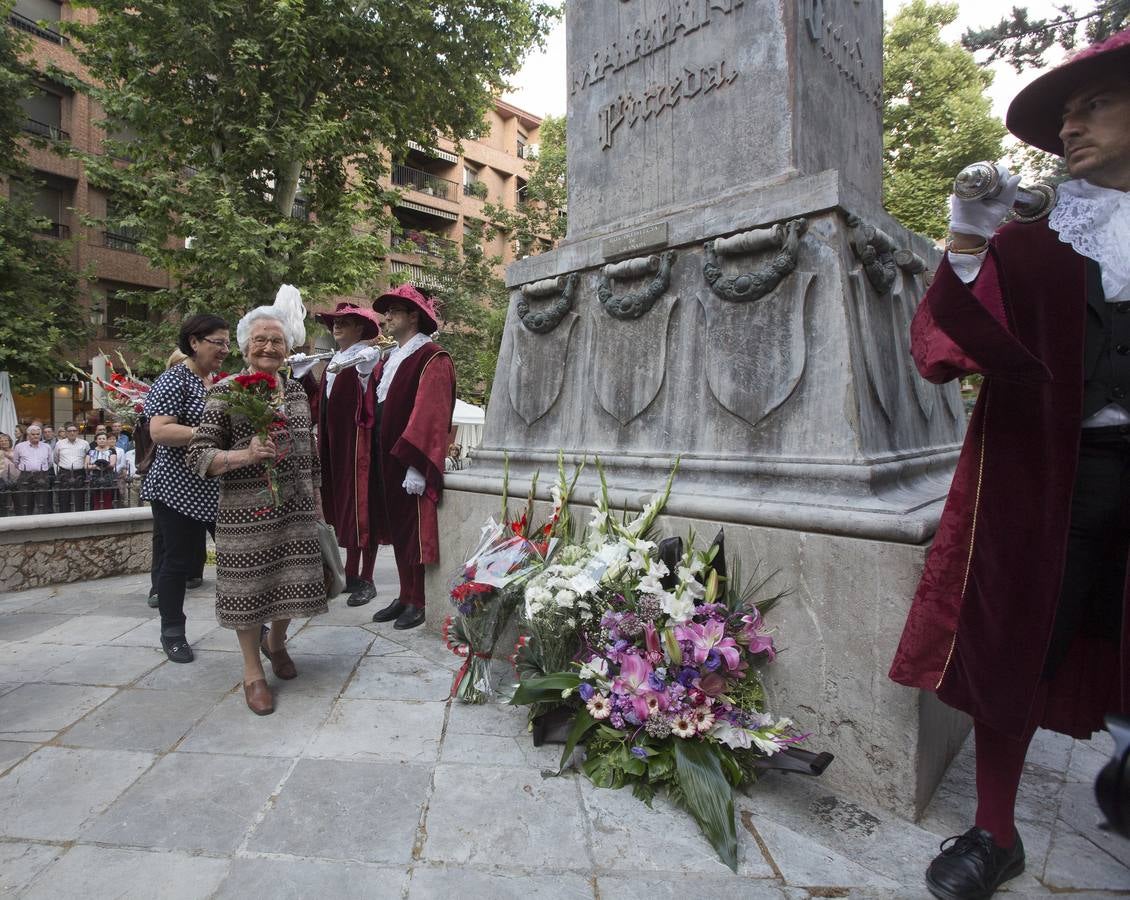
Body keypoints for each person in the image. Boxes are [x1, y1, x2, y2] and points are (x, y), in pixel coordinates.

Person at [889, 29, 1130, 900]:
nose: (1070, 127)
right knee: (1016, 643)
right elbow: (938, 349)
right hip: (1051, 475)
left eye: (1094, 104)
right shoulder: (1035, 242)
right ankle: (995, 829)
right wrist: (966, 245)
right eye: (1065, 114)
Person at [186, 285, 328, 716]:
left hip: (296, 512)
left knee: (293, 586)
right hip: (245, 515)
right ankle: (252, 672)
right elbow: (198, 455)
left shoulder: (297, 392)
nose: (269, 347)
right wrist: (244, 455)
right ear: (245, 347)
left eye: (277, 340)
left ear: (288, 348)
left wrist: (318, 502)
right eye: (260, 340)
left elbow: (309, 451)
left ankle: (277, 643)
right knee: (247, 594)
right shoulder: (226, 391)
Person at [140, 314, 230, 663]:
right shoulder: (173, 379)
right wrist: (207, 433)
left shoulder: (214, 382)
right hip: (176, 489)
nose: (225, 349)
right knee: (177, 562)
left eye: (227, 343)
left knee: (235, 556)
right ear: (194, 342)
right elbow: (160, 431)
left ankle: (253, 624)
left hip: (212, 486)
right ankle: (173, 631)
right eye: (218, 342)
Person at [368, 284, 456, 631]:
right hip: (387, 456)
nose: (386, 317)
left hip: (409, 459)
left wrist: (417, 462)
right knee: (396, 528)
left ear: (414, 316)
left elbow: (432, 410)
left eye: (394, 311)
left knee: (413, 529)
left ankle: (419, 599)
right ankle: (405, 594)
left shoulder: (432, 356)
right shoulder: (392, 359)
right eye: (386, 311)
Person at [291, 303, 384, 608]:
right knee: (341, 507)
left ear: (360, 328)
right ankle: (350, 572)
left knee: (362, 508)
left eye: (345, 322)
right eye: (335, 322)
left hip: (359, 446)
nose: (337, 326)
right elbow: (318, 405)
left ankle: (366, 577)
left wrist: (365, 373)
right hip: (334, 446)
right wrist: (304, 376)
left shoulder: (369, 358)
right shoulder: (334, 360)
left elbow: (373, 401)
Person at [12, 425, 52, 515]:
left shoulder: (46, 447)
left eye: (38, 434)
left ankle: (43, 521)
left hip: (42, 476)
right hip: (25, 476)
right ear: (28, 435)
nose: (35, 436)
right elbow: (16, 462)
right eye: (33, 434)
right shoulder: (19, 446)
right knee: (26, 503)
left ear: (40, 435)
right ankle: (26, 521)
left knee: (42, 503)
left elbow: (50, 462)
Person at [54, 423, 89, 513]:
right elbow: (56, 459)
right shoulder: (59, 444)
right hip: (64, 473)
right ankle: (64, 517)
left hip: (79, 473)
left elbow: (88, 457)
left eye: (74, 431)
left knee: (79, 499)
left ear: (78, 432)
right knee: (64, 499)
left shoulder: (84, 443)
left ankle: (80, 517)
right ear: (66, 432)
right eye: (69, 431)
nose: (72, 433)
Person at [85, 432, 118, 510]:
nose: (102, 440)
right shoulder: (91, 451)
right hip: (95, 476)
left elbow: (112, 464)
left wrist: (104, 464)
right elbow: (86, 465)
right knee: (95, 499)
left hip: (107, 475)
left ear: (106, 440)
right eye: (99, 439)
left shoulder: (111, 450)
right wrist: (95, 466)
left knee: (107, 499)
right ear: (96, 440)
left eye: (103, 438)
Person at [0, 433, 18, 516]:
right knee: (3, 503)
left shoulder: (16, 451)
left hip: (17, 480)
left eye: (6, 440)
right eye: (1, 441)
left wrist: (9, 456)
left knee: (18, 502)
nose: (4, 442)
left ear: (10, 441)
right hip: (2, 481)